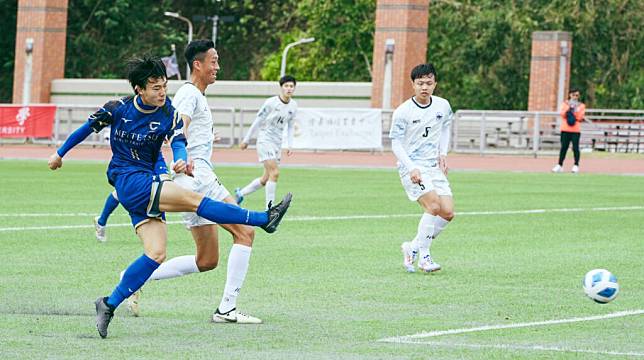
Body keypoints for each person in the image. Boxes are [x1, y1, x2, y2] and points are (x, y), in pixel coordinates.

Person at [48, 55, 292, 338]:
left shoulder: (169, 113)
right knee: (194, 200)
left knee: (155, 254)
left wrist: (180, 159)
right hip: (129, 180)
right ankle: (263, 218)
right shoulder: (117, 109)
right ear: (139, 89)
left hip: (150, 181)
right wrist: (59, 153)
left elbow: (178, 140)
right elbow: (85, 129)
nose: (162, 92)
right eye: (155, 88)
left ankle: (108, 303)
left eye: (164, 86)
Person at [123, 39, 263, 323]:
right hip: (196, 178)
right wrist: (181, 154)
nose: (217, 67)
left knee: (207, 260)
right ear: (197, 64)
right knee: (246, 232)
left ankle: (132, 279)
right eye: (213, 61)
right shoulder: (189, 93)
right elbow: (179, 127)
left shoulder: (198, 94)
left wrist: (206, 139)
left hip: (198, 176)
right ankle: (227, 309)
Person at [390, 63, 455, 273]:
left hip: (433, 166)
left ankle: (412, 247)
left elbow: (445, 128)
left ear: (435, 84)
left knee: (447, 213)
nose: (424, 87)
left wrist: (443, 153)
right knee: (433, 206)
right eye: (420, 83)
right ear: (413, 85)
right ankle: (424, 257)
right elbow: (395, 143)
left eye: (428, 83)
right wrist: (411, 167)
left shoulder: (443, 105)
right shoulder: (403, 112)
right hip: (412, 168)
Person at [235, 75, 297, 208]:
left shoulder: (293, 106)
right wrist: (246, 140)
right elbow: (257, 121)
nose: (289, 89)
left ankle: (241, 193)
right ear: (281, 87)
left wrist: (289, 145)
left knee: (265, 178)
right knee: (275, 173)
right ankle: (270, 209)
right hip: (265, 140)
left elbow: (291, 126)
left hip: (277, 143)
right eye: (286, 86)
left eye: (291, 86)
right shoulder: (270, 103)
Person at [93, 152, 169, 242]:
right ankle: (101, 221)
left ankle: (101, 221)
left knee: (154, 187)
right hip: (131, 159)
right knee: (127, 190)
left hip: (147, 154)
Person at [552, 88, 586, 174]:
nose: (575, 97)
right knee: (564, 147)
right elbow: (563, 114)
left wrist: (573, 111)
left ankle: (576, 165)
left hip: (575, 129)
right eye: (574, 95)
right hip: (565, 128)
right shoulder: (565, 103)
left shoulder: (581, 105)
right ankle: (560, 164)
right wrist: (569, 109)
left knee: (575, 148)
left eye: (577, 95)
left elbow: (580, 117)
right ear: (570, 95)